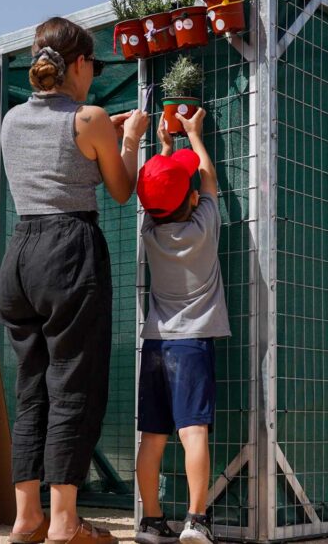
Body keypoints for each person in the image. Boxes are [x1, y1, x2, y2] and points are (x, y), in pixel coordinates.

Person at [0, 16, 148, 544]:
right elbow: (122, 188)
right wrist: (128, 138)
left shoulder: (11, 119)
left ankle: (26, 517)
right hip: (69, 249)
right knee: (73, 385)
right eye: (95, 65)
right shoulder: (92, 118)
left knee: (32, 385)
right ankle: (64, 521)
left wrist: (105, 129)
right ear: (80, 64)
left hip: (20, 255)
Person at [133, 110, 229, 544]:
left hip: (155, 344)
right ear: (192, 202)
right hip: (192, 346)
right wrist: (194, 135)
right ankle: (196, 519)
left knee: (153, 437)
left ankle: (151, 522)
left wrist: (165, 152)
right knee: (194, 432)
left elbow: (162, 197)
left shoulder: (149, 231)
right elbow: (207, 177)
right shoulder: (205, 226)